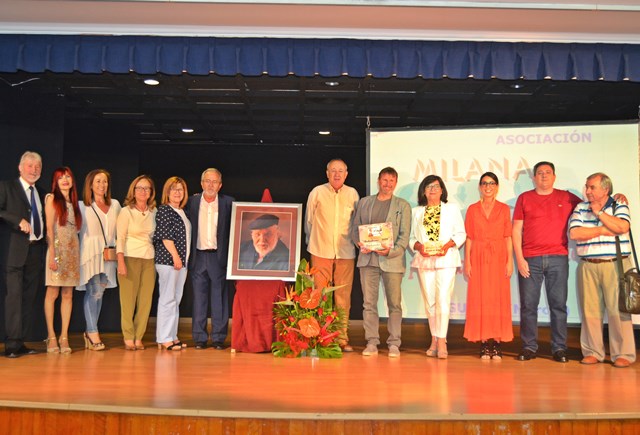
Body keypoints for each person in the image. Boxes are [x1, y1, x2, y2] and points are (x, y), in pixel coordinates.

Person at [512, 161, 582, 363]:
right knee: (528, 306)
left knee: (558, 306)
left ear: (554, 176)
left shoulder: (566, 197)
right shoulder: (524, 198)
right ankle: (529, 347)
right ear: (534, 177)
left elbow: (591, 206)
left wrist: (615, 199)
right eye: (540, 173)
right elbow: (516, 230)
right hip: (530, 260)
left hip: (558, 258)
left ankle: (559, 348)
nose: (543, 176)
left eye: (548, 172)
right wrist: (520, 259)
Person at [569, 172, 636, 368]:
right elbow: (575, 233)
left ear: (605, 189)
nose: (587, 190)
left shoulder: (619, 205)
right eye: (587, 186)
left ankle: (623, 353)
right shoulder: (580, 207)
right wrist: (603, 229)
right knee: (589, 311)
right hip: (588, 265)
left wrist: (599, 214)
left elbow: (622, 226)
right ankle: (592, 351)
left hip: (616, 264)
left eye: (592, 187)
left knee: (619, 311)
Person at [351, 167, 411, 358]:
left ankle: (394, 343)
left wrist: (391, 251)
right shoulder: (365, 202)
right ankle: (371, 342)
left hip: (391, 261)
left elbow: (404, 236)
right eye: (384, 180)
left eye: (391, 180)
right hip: (368, 261)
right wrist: (359, 243)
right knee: (369, 303)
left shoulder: (403, 206)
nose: (388, 184)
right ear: (379, 181)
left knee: (394, 304)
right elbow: (355, 229)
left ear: (396, 182)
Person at [305, 158, 359, 352]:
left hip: (345, 251)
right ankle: (319, 336)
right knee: (319, 296)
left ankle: (341, 337)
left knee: (343, 297)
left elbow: (356, 222)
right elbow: (309, 221)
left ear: (346, 174)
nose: (337, 174)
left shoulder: (352, 193)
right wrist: (312, 242)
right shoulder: (317, 192)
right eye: (333, 170)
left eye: (341, 171)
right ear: (327, 173)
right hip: (320, 250)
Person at [409, 175, 466, 359]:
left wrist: (447, 246)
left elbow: (460, 234)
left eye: (436, 186)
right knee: (430, 302)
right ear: (423, 191)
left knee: (443, 300)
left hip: (446, 260)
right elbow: (412, 238)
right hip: (425, 260)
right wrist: (419, 247)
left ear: (442, 190)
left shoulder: (451, 209)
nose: (432, 190)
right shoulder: (416, 211)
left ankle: (442, 340)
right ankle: (434, 338)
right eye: (428, 187)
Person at [463, 172, 514, 360]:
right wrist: (467, 261)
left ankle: (497, 342)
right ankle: (484, 342)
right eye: (484, 183)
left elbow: (508, 236)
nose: (488, 186)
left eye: (492, 183)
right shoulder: (472, 209)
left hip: (499, 257)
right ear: (480, 187)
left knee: (498, 299)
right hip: (477, 256)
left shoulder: (504, 209)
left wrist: (510, 261)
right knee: (480, 298)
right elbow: (469, 237)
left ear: (497, 187)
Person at [0, 151, 45, 358]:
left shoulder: (40, 192)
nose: (34, 170)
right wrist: (17, 220)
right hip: (14, 252)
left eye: (37, 167)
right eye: (30, 166)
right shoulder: (7, 187)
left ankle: (20, 342)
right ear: (20, 167)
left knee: (28, 298)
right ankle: (11, 344)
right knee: (14, 298)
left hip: (35, 251)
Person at [186, 168, 234, 350]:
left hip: (218, 257)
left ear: (220, 185)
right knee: (199, 299)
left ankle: (219, 338)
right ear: (201, 183)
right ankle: (199, 338)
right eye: (207, 181)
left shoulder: (229, 203)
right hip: (198, 256)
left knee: (219, 299)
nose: (211, 185)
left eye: (214, 182)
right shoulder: (192, 202)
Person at [77, 169, 121, 351]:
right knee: (93, 291)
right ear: (90, 184)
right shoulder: (82, 205)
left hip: (108, 254)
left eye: (104, 182)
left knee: (99, 293)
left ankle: (90, 332)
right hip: (90, 253)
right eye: (98, 181)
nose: (102, 185)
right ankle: (92, 332)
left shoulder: (116, 204)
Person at [43, 167, 82, 354]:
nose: (65, 180)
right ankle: (51, 336)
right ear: (55, 182)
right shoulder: (51, 199)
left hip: (73, 253)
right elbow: (49, 229)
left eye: (68, 177)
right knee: (52, 294)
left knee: (68, 295)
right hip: (56, 251)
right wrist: (52, 254)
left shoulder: (74, 202)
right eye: (61, 178)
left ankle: (64, 336)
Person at [116, 175, 156, 351]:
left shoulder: (154, 212)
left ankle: (139, 337)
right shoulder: (126, 212)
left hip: (149, 259)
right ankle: (128, 336)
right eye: (139, 188)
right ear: (133, 190)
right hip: (129, 257)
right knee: (128, 301)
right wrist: (120, 261)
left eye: (147, 188)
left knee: (145, 301)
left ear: (151, 193)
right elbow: (120, 238)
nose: (143, 191)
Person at [154, 177, 191, 351]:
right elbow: (165, 237)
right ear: (167, 192)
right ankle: (164, 338)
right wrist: (176, 257)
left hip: (181, 263)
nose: (177, 192)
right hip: (169, 262)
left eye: (180, 189)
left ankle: (172, 336)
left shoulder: (182, 211)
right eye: (173, 189)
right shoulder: (164, 210)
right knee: (167, 299)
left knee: (175, 300)